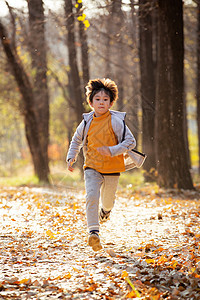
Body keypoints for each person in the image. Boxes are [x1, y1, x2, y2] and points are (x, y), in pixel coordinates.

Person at [67, 78, 136, 252]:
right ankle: (94, 233)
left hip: (112, 168)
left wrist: (112, 150)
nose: (101, 103)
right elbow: (76, 141)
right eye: (97, 99)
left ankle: (105, 212)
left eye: (105, 100)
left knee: (108, 201)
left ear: (111, 103)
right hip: (92, 166)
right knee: (91, 196)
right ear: (91, 102)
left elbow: (131, 142)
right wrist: (71, 156)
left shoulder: (116, 121)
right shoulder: (86, 122)